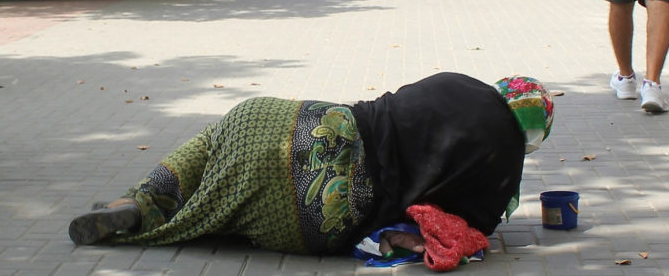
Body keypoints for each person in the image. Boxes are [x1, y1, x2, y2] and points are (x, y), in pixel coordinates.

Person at [66, 73, 555, 257]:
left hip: (291, 124)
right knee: (230, 214)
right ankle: (175, 214)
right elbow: (472, 231)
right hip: (318, 218)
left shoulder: (459, 83)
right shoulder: (502, 171)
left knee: (212, 145)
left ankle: (138, 199)